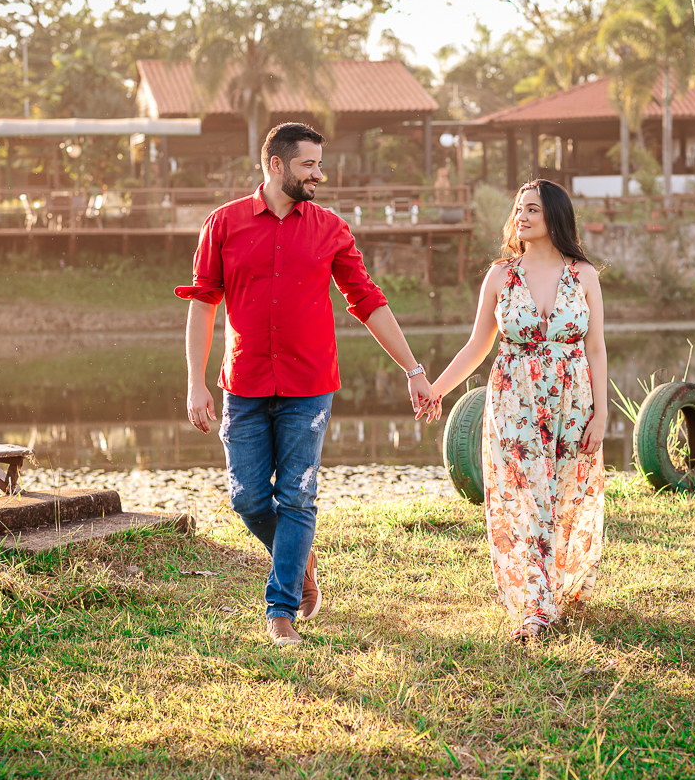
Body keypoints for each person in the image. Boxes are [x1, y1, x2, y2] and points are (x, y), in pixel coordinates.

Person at [177, 122, 434, 646]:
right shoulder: (222, 225)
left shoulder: (331, 229)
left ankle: (281, 610)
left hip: (309, 386)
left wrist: (414, 368)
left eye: (319, 163)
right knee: (248, 499)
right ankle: (299, 555)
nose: (320, 174)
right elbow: (203, 306)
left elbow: (368, 302)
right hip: (244, 384)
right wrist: (195, 383)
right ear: (276, 166)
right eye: (308, 165)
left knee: (297, 498)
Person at [422, 179, 607, 641]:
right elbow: (477, 346)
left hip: (572, 401)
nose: (521, 217)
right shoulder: (501, 275)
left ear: (555, 219)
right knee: (526, 499)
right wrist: (437, 389)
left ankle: (556, 587)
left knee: (563, 496)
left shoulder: (583, 275)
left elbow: (597, 349)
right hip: (514, 404)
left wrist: (602, 413)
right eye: (518, 208)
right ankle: (535, 608)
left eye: (533, 210)